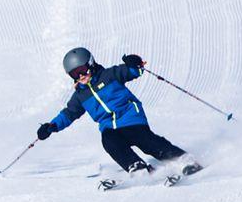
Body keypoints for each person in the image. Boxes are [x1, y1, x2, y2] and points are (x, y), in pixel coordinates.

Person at [36, 47, 192, 174]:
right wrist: (52, 126)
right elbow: (69, 113)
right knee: (109, 141)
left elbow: (134, 71)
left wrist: (134, 63)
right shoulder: (80, 95)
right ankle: (137, 166)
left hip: (131, 118)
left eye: (83, 69)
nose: (81, 75)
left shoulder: (109, 75)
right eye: (75, 74)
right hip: (110, 128)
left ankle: (181, 159)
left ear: (90, 63)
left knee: (146, 141)